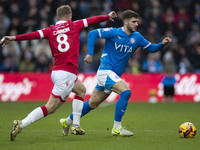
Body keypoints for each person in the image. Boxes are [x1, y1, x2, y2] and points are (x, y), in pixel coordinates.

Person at [0, 5, 117, 141]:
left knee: (81, 90)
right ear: (70, 16)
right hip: (66, 73)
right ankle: (21, 124)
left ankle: (76, 125)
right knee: (50, 108)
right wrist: (107, 16)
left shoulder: (50, 30)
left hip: (58, 72)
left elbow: (32, 35)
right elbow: (92, 20)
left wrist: (13, 38)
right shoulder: (75, 25)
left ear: (57, 17)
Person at [61, 10, 172, 137]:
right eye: (134, 22)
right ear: (125, 22)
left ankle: (67, 121)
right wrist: (90, 53)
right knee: (126, 91)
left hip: (114, 75)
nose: (136, 24)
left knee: (93, 103)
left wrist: (162, 44)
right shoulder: (114, 32)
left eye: (137, 22)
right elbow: (92, 34)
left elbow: (152, 48)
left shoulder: (137, 37)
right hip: (105, 71)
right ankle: (117, 127)